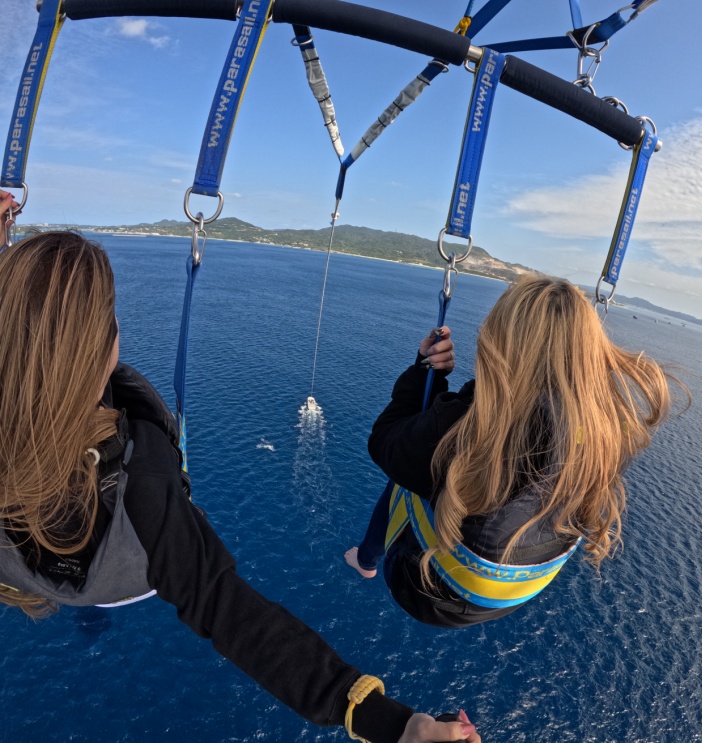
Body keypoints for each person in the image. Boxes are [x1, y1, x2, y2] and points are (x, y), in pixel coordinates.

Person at [0, 223, 481, 743]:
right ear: (105, 346)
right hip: (123, 571)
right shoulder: (140, 484)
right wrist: (391, 723)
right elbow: (230, 613)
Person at [346, 275, 685, 628]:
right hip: (509, 595)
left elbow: (383, 440)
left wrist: (425, 372)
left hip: (426, 587)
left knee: (404, 475)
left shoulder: (455, 431)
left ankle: (366, 561)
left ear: (498, 342)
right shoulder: (610, 430)